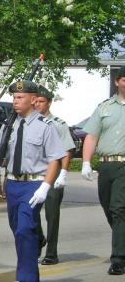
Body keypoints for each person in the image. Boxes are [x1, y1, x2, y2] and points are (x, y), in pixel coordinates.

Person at [0, 80, 65, 282]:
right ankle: (34, 254)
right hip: (12, 184)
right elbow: (4, 155)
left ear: (33, 99)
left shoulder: (45, 126)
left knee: (24, 229)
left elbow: (55, 157)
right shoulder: (9, 125)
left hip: (33, 184)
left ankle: (25, 277)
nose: (15, 101)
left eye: (20, 97)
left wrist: (46, 186)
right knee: (19, 232)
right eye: (14, 98)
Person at [81, 65, 125, 275]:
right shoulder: (104, 108)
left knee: (118, 209)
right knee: (109, 207)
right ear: (117, 82)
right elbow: (91, 136)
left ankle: (118, 259)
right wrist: (86, 162)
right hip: (106, 165)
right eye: (124, 79)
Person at [34, 85, 75, 265]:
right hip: (34, 173)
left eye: (41, 102)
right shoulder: (29, 122)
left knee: (51, 215)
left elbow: (66, 150)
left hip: (54, 173)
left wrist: (63, 173)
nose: (37, 105)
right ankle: (38, 238)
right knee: (30, 212)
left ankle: (51, 253)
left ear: (49, 103)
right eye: (35, 102)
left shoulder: (58, 124)